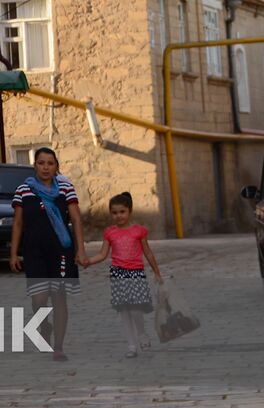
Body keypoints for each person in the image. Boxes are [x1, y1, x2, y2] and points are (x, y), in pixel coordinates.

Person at [9, 147, 87, 362]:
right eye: (41, 163)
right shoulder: (24, 189)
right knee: (39, 299)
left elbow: (77, 219)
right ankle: (44, 324)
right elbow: (18, 222)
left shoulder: (65, 188)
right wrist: (13, 253)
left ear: (56, 166)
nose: (45, 167)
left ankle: (58, 347)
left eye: (50, 163)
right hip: (34, 251)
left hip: (61, 250)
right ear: (35, 166)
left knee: (59, 298)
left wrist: (80, 249)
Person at [84, 191, 162, 358]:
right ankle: (131, 345)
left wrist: (156, 272)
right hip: (118, 274)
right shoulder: (109, 233)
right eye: (114, 212)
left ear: (129, 211)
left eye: (122, 212)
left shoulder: (139, 231)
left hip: (135, 273)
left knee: (135, 309)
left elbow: (148, 253)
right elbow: (103, 254)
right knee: (124, 311)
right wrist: (89, 261)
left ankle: (141, 334)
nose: (118, 216)